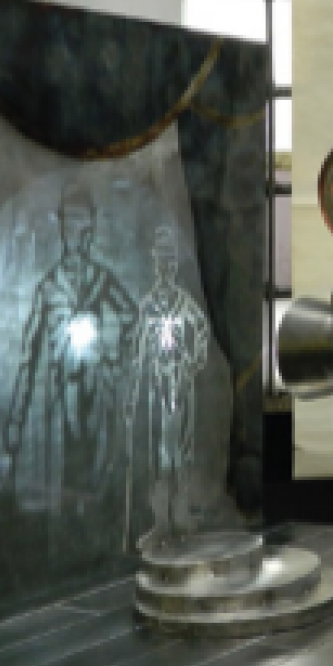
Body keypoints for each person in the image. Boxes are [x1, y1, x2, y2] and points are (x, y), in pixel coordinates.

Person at [0, 179, 138, 559]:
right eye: (68, 224)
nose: (75, 233)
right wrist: (12, 435)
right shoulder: (48, 288)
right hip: (60, 403)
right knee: (65, 483)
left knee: (98, 479)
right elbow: (26, 360)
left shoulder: (102, 280)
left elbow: (132, 316)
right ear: (61, 228)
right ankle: (67, 556)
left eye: (81, 224)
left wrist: (112, 353)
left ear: (90, 228)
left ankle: (101, 551)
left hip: (97, 396)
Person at [125, 225, 210, 552]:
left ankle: (181, 515)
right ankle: (160, 522)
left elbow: (201, 334)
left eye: (171, 258)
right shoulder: (147, 307)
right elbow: (136, 353)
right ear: (153, 261)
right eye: (162, 258)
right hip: (156, 388)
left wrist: (193, 361)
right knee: (158, 455)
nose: (166, 264)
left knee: (183, 451)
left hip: (182, 384)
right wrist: (132, 395)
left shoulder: (185, 303)